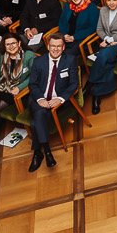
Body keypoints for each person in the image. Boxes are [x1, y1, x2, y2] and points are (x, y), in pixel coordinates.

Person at [25, 33, 79, 170]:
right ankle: (47, 151)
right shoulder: (38, 62)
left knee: (34, 123)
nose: (55, 49)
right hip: (39, 99)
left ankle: (38, 153)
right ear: (48, 46)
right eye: (53, 46)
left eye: (59, 46)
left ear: (63, 47)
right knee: (39, 113)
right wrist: (40, 99)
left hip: (57, 101)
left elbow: (74, 84)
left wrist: (60, 99)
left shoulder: (70, 60)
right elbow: (32, 85)